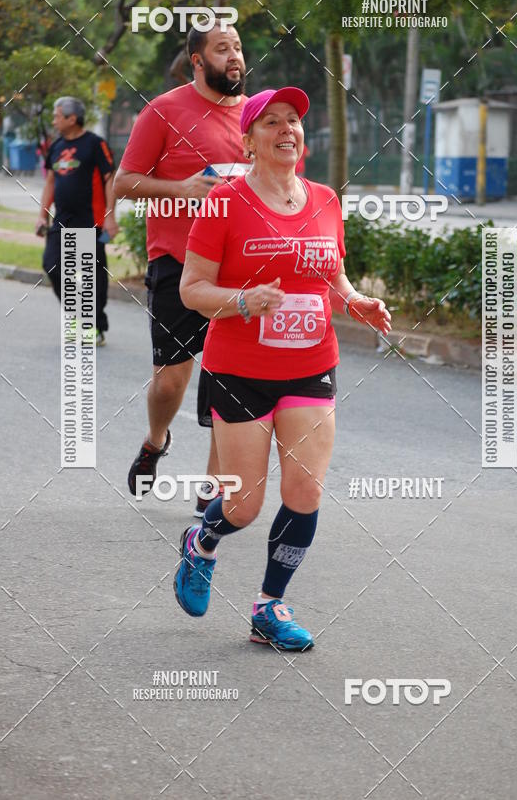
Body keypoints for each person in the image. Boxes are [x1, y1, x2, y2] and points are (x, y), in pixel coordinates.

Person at [176, 87, 392, 651]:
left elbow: (331, 273)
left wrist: (355, 300)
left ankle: (269, 606)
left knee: (304, 492)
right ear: (248, 141)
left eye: (293, 119)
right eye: (270, 122)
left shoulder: (324, 198)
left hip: (311, 366)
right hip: (240, 368)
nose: (285, 129)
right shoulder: (222, 202)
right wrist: (245, 301)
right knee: (244, 504)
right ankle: (201, 542)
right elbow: (192, 289)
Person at [113, 21, 249, 513]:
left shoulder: (257, 116)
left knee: (229, 378)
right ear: (197, 60)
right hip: (177, 262)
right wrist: (181, 189)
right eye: (221, 48)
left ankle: (210, 496)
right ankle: (155, 440)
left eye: (237, 47)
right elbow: (124, 182)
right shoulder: (164, 110)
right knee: (171, 380)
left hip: (240, 270)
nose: (234, 56)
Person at [35, 97, 118, 345]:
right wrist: (42, 214)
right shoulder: (57, 146)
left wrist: (110, 216)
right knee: (52, 264)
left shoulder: (95, 144)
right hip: (62, 220)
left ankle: (95, 326)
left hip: (90, 220)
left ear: (72, 118)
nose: (54, 120)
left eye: (57, 115)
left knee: (93, 274)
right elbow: (50, 181)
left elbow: (109, 179)